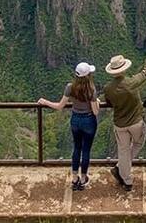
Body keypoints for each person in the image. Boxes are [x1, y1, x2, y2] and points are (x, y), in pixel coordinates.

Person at [103, 45, 146, 191]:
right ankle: (121, 168)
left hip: (119, 124)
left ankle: (127, 180)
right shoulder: (132, 82)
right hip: (136, 123)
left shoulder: (108, 88)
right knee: (138, 143)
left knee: (123, 150)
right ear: (124, 68)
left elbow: (109, 102)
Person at [38, 61, 100, 190]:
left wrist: (45, 102)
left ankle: (74, 178)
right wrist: (97, 101)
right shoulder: (91, 90)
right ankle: (83, 179)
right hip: (89, 121)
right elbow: (95, 111)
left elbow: (60, 106)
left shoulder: (70, 87)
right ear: (88, 76)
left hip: (75, 120)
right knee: (86, 150)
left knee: (76, 148)